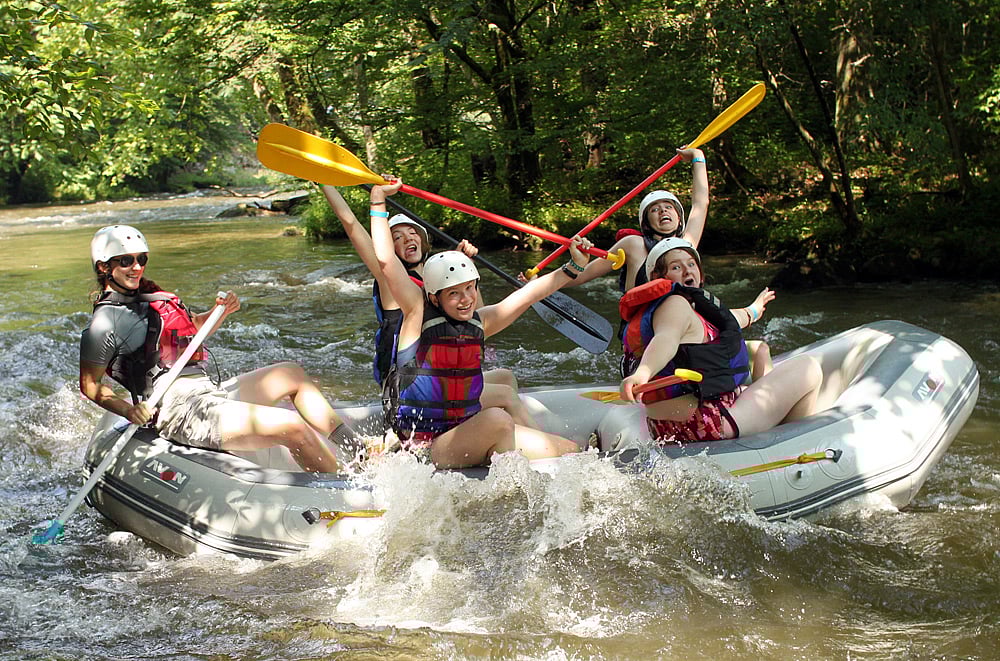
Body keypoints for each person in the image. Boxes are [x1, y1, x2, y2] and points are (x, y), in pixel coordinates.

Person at [79, 225, 343, 472]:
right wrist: (127, 410)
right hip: (178, 410)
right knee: (292, 426)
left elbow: (191, 331)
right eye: (126, 261)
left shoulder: (153, 300)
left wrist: (220, 312)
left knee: (291, 373)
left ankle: (360, 451)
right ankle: (345, 489)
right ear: (104, 266)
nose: (136, 267)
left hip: (207, 393)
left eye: (142, 259)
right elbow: (90, 385)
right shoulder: (103, 324)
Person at [370, 179, 589, 468]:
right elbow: (386, 262)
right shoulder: (415, 315)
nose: (466, 300)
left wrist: (573, 267)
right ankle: (511, 485)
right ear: (435, 297)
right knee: (497, 419)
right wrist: (377, 201)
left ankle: (519, 466)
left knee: (571, 450)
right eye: (454, 293)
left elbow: (528, 295)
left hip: (466, 430)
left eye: (470, 289)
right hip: (425, 450)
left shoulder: (480, 322)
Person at [322, 184, 538, 430]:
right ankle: (534, 445)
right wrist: (324, 181)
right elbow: (350, 224)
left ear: (424, 241)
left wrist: (462, 268)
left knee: (506, 377)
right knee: (505, 396)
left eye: (413, 232)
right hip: (409, 388)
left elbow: (475, 321)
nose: (407, 238)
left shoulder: (442, 284)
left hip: (439, 379)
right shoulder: (392, 284)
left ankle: (495, 432)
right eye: (397, 237)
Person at [619, 237, 822, 444]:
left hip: (666, 427)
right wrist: (643, 373)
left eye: (691, 264)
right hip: (707, 423)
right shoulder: (675, 304)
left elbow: (734, 318)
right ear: (657, 276)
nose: (687, 271)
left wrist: (755, 309)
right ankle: (793, 445)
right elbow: (666, 340)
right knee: (809, 367)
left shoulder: (687, 310)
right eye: (676, 266)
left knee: (757, 352)